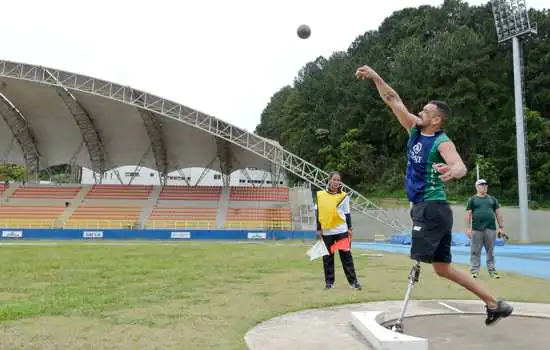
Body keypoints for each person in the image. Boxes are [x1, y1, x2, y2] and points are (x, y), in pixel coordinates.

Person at [355, 64, 513, 326]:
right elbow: (393, 99)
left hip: (431, 208)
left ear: (437, 120)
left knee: (417, 259)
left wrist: (454, 171)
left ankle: (399, 322)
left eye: (425, 111)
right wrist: (375, 77)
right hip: (429, 209)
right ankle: (494, 304)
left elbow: (460, 164)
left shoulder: (442, 141)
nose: (419, 112)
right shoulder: (414, 131)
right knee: (442, 268)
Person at [315, 171, 362, 291]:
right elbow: (318, 213)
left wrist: (349, 229)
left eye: (338, 180)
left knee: (346, 257)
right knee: (327, 258)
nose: (336, 182)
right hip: (327, 232)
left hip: (341, 231)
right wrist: (318, 229)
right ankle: (329, 283)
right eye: (334, 179)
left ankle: (353, 282)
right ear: (329, 180)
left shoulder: (344, 196)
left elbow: (347, 213)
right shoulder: (320, 195)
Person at [466, 179, 506, 279]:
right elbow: (468, 214)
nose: (484, 186)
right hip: (476, 229)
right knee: (475, 251)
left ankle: (492, 271)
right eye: (481, 185)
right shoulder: (472, 199)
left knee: (490, 252)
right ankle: (474, 271)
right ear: (477, 187)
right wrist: (468, 228)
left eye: (485, 185)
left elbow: (498, 213)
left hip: (490, 229)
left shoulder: (492, 199)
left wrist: (501, 227)